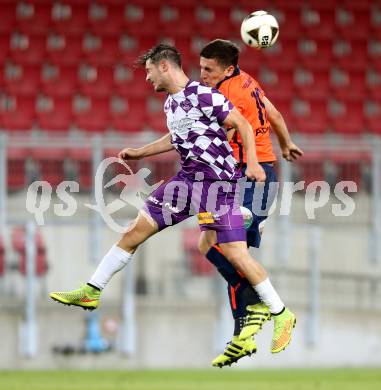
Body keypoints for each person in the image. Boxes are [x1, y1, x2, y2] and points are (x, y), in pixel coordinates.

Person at [49, 44, 295, 362]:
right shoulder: (171, 104)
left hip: (216, 186)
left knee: (235, 253)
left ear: (164, 67)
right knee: (135, 231)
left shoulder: (204, 95)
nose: (148, 77)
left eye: (150, 70)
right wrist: (140, 152)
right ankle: (92, 290)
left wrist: (252, 163)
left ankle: (281, 313)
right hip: (185, 182)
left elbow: (243, 124)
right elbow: (175, 138)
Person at [198, 39, 303, 367]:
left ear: (227, 69)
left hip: (252, 178)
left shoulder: (226, 92)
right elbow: (273, 113)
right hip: (248, 176)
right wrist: (285, 143)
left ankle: (276, 311)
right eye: (200, 68)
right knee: (208, 242)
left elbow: (231, 133)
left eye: (208, 70)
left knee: (230, 248)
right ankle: (244, 330)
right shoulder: (248, 81)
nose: (202, 75)